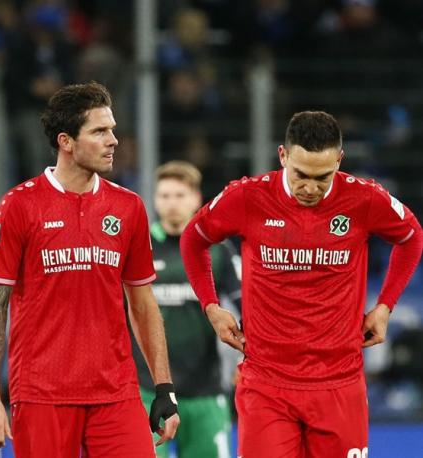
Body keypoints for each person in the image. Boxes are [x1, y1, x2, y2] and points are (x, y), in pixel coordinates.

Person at [180, 111, 423, 458]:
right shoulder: (248, 197)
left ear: (339, 160)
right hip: (266, 383)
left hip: (339, 383)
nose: (310, 188)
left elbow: (412, 237)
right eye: (300, 175)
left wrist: (385, 305)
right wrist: (211, 305)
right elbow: (193, 239)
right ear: (283, 156)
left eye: (323, 177)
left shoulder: (364, 199)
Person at [0, 81, 180, 457]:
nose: (113, 140)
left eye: (113, 129)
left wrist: (164, 386)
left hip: (115, 391)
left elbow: (143, 304)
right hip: (41, 394)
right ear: (66, 142)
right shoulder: (19, 206)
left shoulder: (128, 207)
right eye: (100, 131)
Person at [133, 160, 241, 458]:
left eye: (179, 196)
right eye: (164, 196)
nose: (171, 204)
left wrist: (251, 354)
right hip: (147, 391)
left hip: (204, 390)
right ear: (154, 199)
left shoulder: (217, 250)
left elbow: (248, 304)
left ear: (196, 198)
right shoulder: (138, 247)